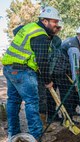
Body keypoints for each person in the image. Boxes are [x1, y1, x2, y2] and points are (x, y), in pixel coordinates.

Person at [2, 6, 61, 141]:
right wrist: (47, 81)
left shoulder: (29, 27)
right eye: (54, 22)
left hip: (9, 68)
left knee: (13, 101)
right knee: (32, 102)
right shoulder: (40, 35)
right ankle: (36, 135)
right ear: (44, 21)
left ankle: (13, 134)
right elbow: (42, 60)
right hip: (23, 70)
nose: (56, 25)